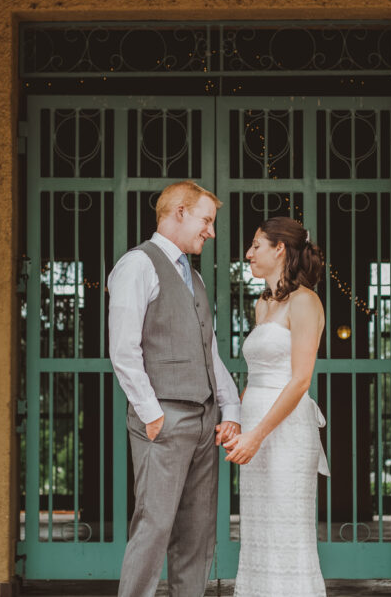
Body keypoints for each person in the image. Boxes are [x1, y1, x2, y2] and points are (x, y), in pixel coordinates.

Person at [107, 180, 242, 597]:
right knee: (154, 527)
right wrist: (151, 413)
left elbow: (210, 352)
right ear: (179, 212)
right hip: (164, 419)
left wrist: (230, 409)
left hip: (205, 422)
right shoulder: (138, 265)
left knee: (197, 534)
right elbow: (123, 348)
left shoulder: (195, 279)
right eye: (206, 220)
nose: (211, 231)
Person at [223, 216, 330, 597]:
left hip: (283, 430)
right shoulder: (262, 304)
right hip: (254, 427)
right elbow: (255, 376)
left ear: (279, 249)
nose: (249, 254)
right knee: (259, 529)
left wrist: (257, 434)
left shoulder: (305, 302)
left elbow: (300, 379)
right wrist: (234, 420)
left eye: (256, 245)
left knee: (286, 527)